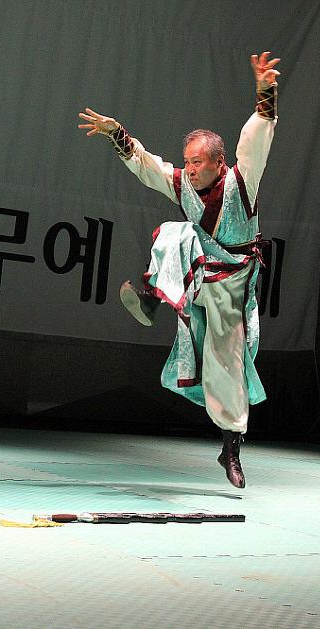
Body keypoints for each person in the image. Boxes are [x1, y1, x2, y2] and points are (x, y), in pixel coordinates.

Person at [77, 51, 281, 488]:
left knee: (225, 365)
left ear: (219, 163)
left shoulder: (241, 183)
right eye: (186, 161)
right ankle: (152, 298)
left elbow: (255, 143)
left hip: (232, 283)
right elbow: (148, 166)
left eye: (197, 162)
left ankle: (231, 447)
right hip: (197, 272)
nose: (189, 168)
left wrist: (266, 96)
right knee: (177, 232)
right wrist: (117, 134)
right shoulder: (183, 185)